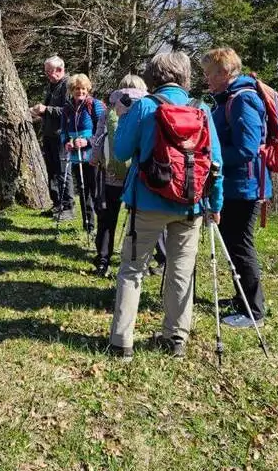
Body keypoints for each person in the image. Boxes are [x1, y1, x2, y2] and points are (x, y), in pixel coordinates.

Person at [107, 52, 224, 361]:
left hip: (147, 202)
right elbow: (215, 164)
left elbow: (119, 153)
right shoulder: (202, 110)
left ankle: (122, 342)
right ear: (186, 78)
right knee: (181, 271)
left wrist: (122, 120)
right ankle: (176, 339)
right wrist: (216, 203)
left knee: (133, 269)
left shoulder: (144, 106)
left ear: (153, 78)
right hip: (191, 204)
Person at [201, 47, 271, 329]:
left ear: (225, 72)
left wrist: (211, 155)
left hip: (245, 186)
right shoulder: (229, 99)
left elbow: (247, 148)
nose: (206, 79)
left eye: (209, 73)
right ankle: (241, 298)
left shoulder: (243, 100)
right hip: (233, 184)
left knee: (240, 245)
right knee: (232, 241)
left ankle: (254, 310)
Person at [88, 75, 146, 277]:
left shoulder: (109, 110)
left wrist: (94, 160)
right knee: (143, 218)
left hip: (111, 174)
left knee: (107, 219)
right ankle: (155, 258)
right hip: (139, 176)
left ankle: (103, 260)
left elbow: (98, 139)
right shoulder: (148, 108)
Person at [59, 73, 106, 236]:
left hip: (93, 155)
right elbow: (63, 130)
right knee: (83, 189)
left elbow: (103, 131)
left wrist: (87, 140)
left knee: (95, 190)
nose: (80, 92)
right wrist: (67, 141)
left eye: (83, 88)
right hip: (76, 155)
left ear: (88, 89)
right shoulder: (67, 107)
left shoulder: (96, 105)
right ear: (72, 90)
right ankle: (88, 226)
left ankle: (102, 226)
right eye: (77, 89)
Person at [30, 56, 74, 220]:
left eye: (50, 71)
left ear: (60, 69)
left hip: (61, 135)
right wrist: (38, 112)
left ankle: (68, 208)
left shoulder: (68, 86)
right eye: (46, 71)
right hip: (49, 135)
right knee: (52, 172)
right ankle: (57, 204)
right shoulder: (52, 86)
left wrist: (46, 109)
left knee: (63, 172)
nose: (47, 74)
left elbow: (67, 111)